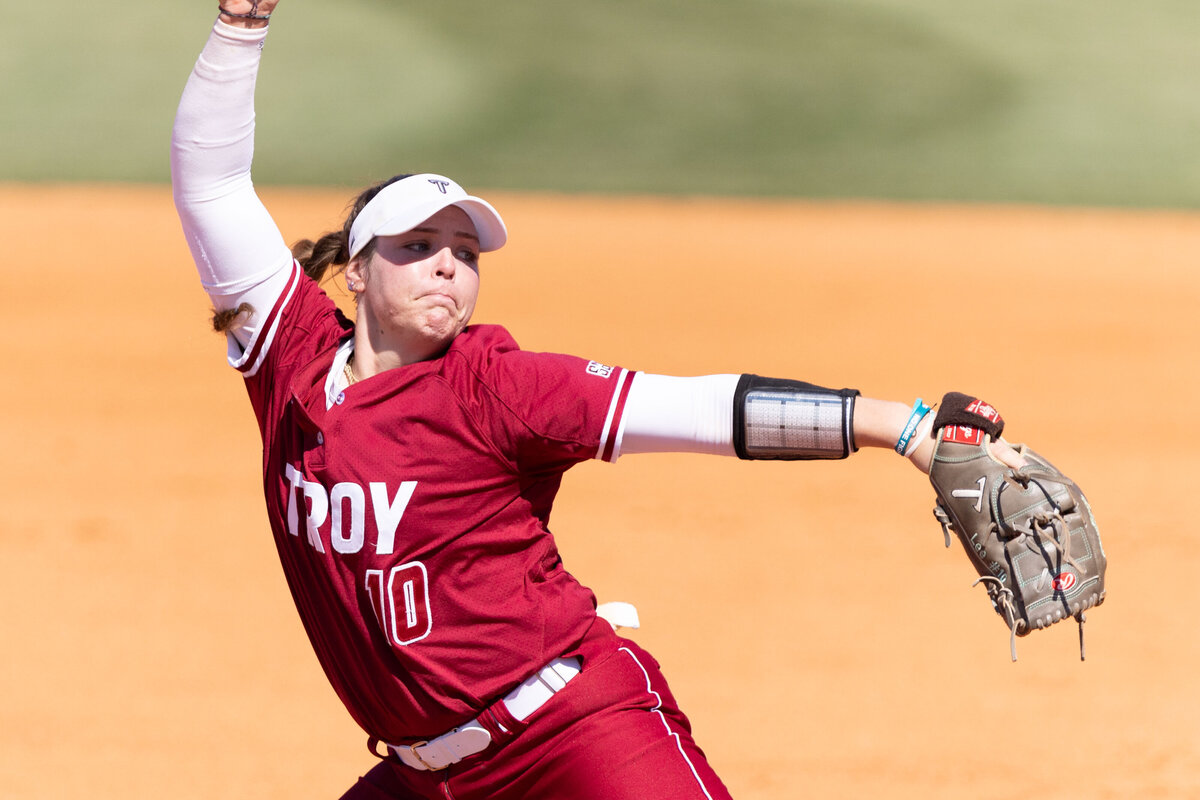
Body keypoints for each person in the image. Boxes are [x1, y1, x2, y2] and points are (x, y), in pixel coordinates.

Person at [171, 4, 1026, 798]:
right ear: (355, 272)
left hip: (571, 736)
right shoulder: (287, 359)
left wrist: (908, 430)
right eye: (418, 245)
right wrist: (240, 25)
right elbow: (209, 183)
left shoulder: (495, 385)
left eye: (464, 251)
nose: (446, 264)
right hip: (423, 780)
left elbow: (700, 410)